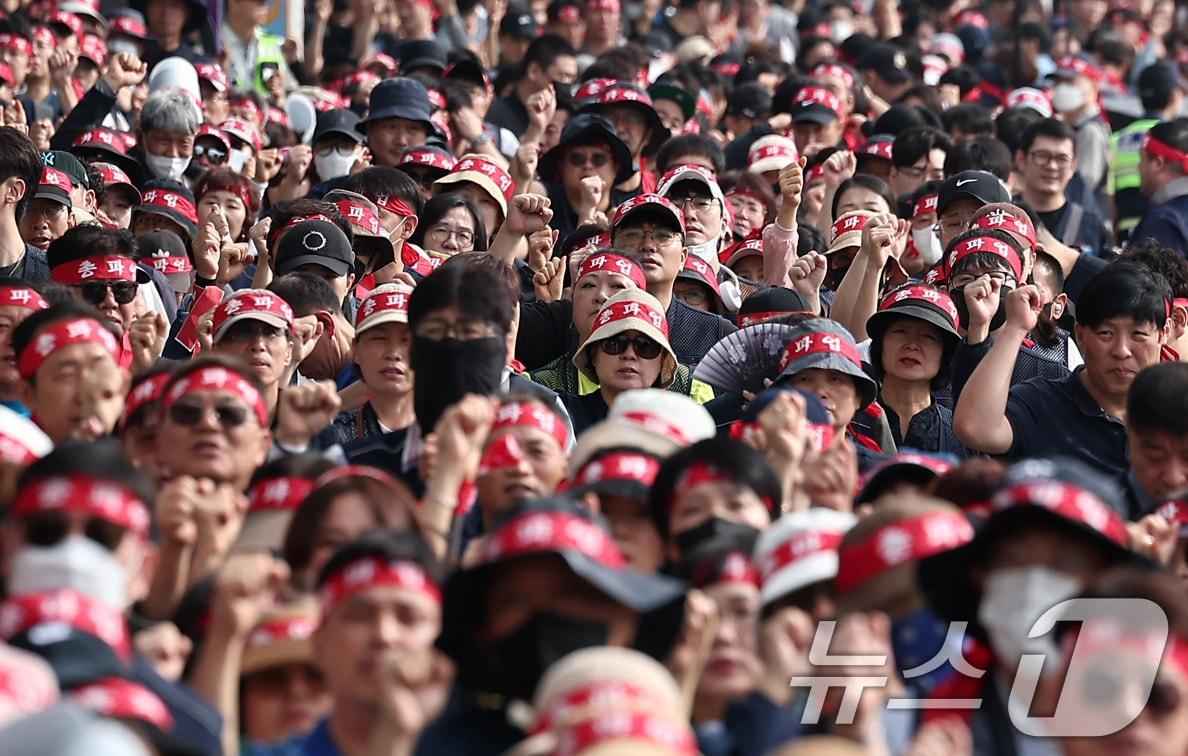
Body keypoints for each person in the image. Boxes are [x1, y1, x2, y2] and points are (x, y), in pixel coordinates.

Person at [955, 262, 1170, 480]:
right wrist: (1015, 329)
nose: (1121, 351)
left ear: (1164, 334)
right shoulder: (1042, 403)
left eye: (1138, 334)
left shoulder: (1176, 411)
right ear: (1081, 335)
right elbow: (975, 428)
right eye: (1106, 334)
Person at [561, 288, 680, 434]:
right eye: (615, 343)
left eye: (645, 346)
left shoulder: (678, 428)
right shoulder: (560, 412)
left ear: (662, 361)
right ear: (593, 355)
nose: (629, 354)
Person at [866, 284, 966, 455]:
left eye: (928, 337)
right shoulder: (851, 422)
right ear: (880, 344)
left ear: (945, 354)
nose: (912, 345)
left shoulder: (961, 435)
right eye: (900, 331)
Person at [1013, 118, 1107, 253]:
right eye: (1042, 156)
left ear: (1074, 166)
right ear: (1021, 160)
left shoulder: (1090, 225)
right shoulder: (1002, 215)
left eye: (1062, 159)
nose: (1052, 166)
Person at [1132, 117, 1188, 254]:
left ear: (1158, 164)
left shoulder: (1164, 220)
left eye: (1141, 159)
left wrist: (1080, 262)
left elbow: (1140, 275)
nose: (1138, 167)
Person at [356, 78, 436, 169]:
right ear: (369, 130)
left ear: (426, 135)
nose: (401, 141)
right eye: (391, 127)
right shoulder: (346, 182)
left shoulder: (441, 182)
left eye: (413, 128)